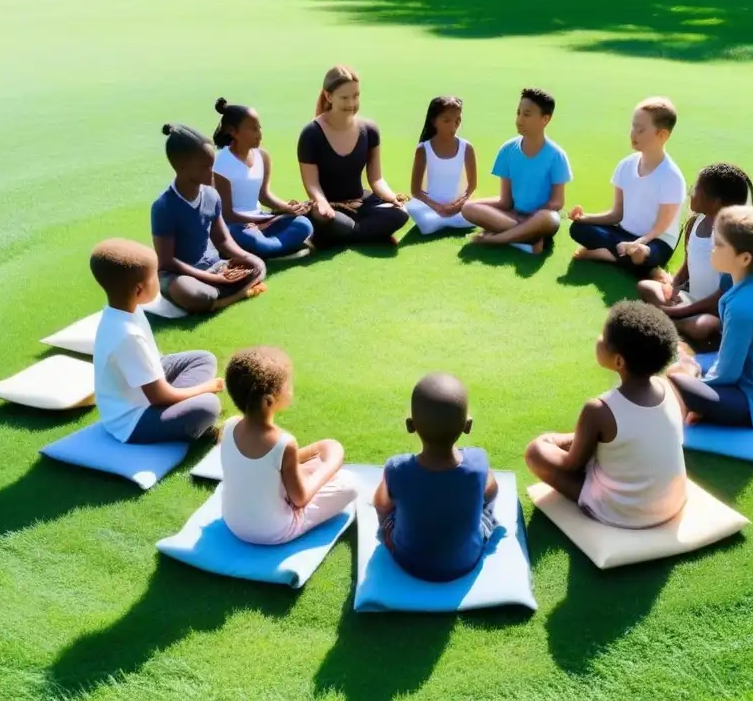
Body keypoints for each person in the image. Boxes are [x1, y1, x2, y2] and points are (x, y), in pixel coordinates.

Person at [525, 301, 687, 529]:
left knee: (536, 452)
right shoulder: (667, 387)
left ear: (619, 361)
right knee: (601, 444)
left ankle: (559, 452)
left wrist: (551, 441)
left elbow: (571, 466)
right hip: (671, 503)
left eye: (603, 336)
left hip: (624, 512)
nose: (598, 340)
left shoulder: (599, 410)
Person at [668, 206, 753, 429]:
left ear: (744, 258)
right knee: (683, 361)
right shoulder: (751, 285)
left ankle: (691, 384)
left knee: (675, 379)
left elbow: (726, 374)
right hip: (747, 382)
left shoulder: (743, 307)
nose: (711, 250)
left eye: (718, 245)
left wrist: (694, 382)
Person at [89, 238, 223, 444]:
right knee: (208, 407)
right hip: (133, 420)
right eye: (155, 277)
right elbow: (159, 396)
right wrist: (206, 387)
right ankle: (180, 414)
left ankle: (178, 405)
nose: (159, 280)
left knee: (204, 359)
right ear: (139, 290)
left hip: (148, 386)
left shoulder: (122, 310)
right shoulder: (126, 334)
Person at [220, 346, 357, 545]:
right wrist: (331, 464)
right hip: (272, 531)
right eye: (287, 385)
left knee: (298, 469)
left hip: (233, 520)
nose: (291, 388)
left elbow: (264, 465)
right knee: (349, 484)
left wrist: (316, 449)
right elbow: (300, 499)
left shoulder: (229, 426)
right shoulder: (284, 444)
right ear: (269, 400)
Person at [373, 373, 499, 582]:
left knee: (390, 515)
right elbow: (491, 491)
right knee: (485, 514)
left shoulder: (397, 468)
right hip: (466, 560)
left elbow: (381, 505)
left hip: (409, 561)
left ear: (410, 425)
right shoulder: (478, 462)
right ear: (467, 426)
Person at [151, 124, 266, 314]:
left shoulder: (212, 195)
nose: (211, 173)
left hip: (215, 266)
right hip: (180, 275)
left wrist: (245, 257)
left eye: (212, 166)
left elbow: (222, 240)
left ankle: (220, 298)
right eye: (205, 168)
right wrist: (213, 279)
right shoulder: (164, 207)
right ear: (181, 167)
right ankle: (228, 297)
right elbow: (167, 261)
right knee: (194, 294)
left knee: (259, 266)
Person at [637, 163, 753, 344]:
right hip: (693, 301)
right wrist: (674, 286)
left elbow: (722, 295)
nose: (691, 192)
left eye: (696, 189)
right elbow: (687, 265)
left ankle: (670, 320)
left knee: (703, 327)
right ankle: (676, 320)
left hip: (718, 310)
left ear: (715, 201)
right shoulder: (694, 223)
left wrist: (677, 311)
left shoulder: (733, 237)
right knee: (646, 287)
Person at [569, 97, 685, 276]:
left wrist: (638, 243)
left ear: (662, 135)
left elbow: (660, 228)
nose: (633, 134)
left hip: (655, 240)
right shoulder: (625, 166)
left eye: (641, 130)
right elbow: (617, 214)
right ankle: (635, 265)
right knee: (578, 229)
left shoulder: (672, 177)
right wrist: (583, 218)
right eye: (633, 126)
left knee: (643, 254)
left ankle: (607, 255)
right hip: (622, 235)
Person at [297, 65, 409, 248]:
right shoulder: (311, 133)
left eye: (356, 96)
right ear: (328, 96)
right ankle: (366, 233)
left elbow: (376, 178)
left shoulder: (369, 129)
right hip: (331, 207)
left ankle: (344, 235)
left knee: (401, 213)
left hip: (361, 203)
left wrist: (391, 197)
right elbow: (312, 184)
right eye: (344, 97)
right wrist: (322, 203)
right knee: (325, 217)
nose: (351, 103)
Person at [461, 88, 572, 255]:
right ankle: (529, 238)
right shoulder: (507, 150)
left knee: (550, 218)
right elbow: (505, 201)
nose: (520, 120)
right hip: (512, 216)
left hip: (540, 218)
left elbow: (557, 202)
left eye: (527, 114)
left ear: (545, 119)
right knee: (468, 208)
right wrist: (472, 204)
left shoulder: (557, 156)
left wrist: (532, 217)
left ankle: (496, 239)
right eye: (518, 113)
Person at [211, 98, 314, 261]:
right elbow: (227, 214)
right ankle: (273, 248)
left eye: (259, 128)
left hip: (261, 221)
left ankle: (269, 249)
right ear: (233, 131)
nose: (259, 134)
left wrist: (287, 208)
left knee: (304, 224)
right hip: (236, 226)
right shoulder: (221, 162)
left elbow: (264, 195)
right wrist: (265, 219)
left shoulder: (263, 156)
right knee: (248, 238)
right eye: (252, 129)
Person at [405, 95, 477, 236]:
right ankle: (446, 221)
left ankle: (446, 221)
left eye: (458, 120)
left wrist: (457, 205)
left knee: (476, 211)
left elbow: (471, 186)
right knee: (414, 210)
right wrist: (438, 208)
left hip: (458, 206)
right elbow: (416, 191)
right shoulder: (423, 149)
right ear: (434, 121)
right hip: (431, 206)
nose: (453, 125)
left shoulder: (466, 147)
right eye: (447, 120)